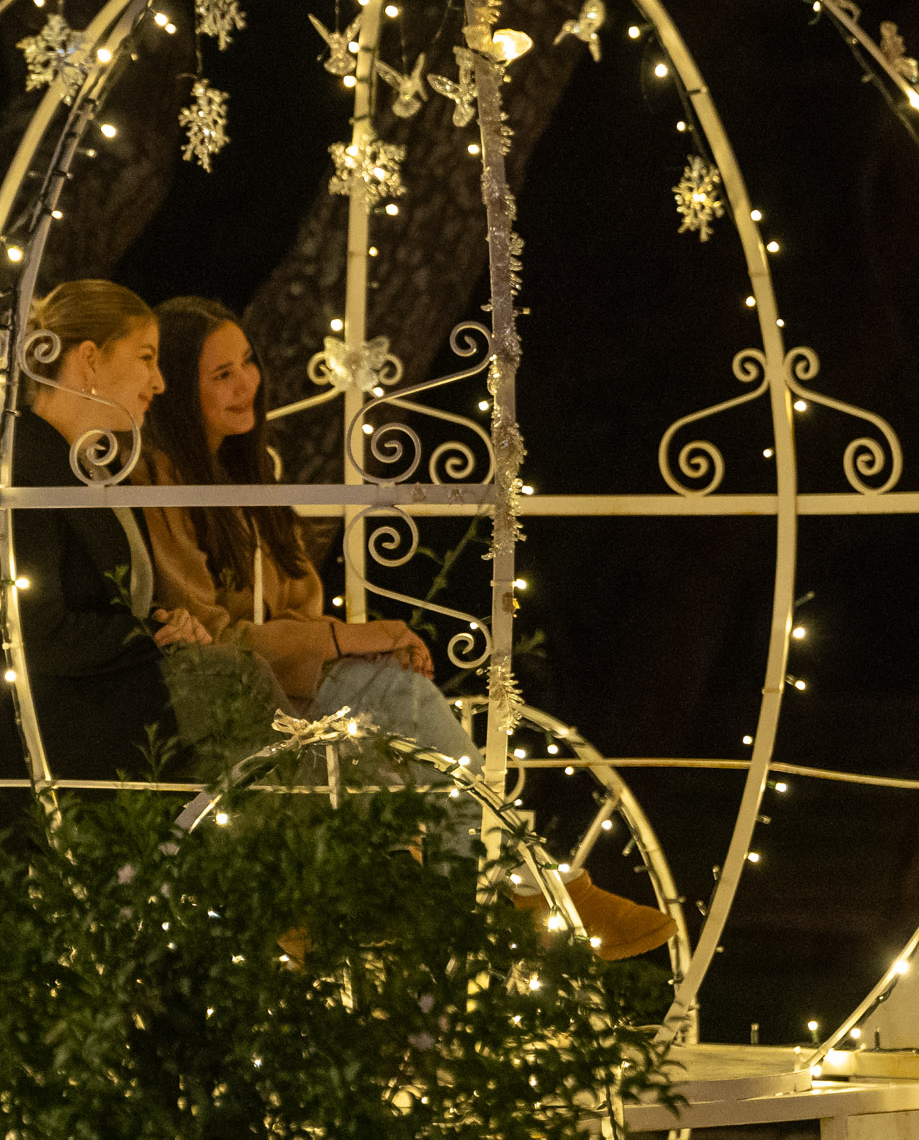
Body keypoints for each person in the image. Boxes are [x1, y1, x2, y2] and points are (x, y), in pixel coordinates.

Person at [138, 295, 675, 960]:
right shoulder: (163, 482)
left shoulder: (251, 478)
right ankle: (514, 885)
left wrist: (348, 646)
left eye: (248, 363)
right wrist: (345, 639)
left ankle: (493, 891)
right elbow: (214, 636)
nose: (246, 383)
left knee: (401, 714)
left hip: (294, 690)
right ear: (174, 388)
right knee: (399, 705)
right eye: (221, 374)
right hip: (237, 706)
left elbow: (299, 608)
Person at [0, 280, 206, 795]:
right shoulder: (15, 470)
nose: (160, 382)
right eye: (146, 358)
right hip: (36, 743)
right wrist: (151, 637)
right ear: (90, 359)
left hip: (99, 719)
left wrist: (165, 625)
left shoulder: (91, 470)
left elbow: (104, 606)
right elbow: (37, 631)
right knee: (237, 688)